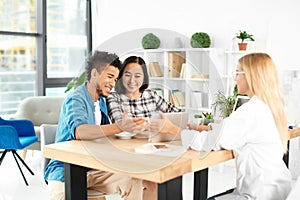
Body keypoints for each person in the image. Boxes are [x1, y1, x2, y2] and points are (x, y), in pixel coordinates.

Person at [44, 51, 151, 200]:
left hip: (93, 168)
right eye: (109, 77)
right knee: (64, 196)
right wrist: (120, 126)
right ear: (94, 74)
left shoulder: (101, 102)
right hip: (65, 171)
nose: (112, 84)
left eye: (115, 79)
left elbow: (105, 135)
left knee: (136, 179)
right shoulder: (76, 99)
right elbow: (81, 132)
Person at [186, 53, 292, 200]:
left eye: (237, 72)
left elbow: (209, 143)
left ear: (251, 76)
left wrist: (175, 132)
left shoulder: (251, 111)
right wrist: (203, 128)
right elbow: (231, 131)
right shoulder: (270, 107)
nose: (234, 78)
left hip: (258, 194)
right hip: (278, 189)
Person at [107, 55, 181, 133]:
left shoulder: (151, 95)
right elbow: (119, 126)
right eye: (127, 75)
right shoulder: (114, 98)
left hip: (154, 142)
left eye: (137, 76)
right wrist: (154, 124)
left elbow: (177, 114)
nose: (132, 80)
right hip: (128, 143)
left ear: (144, 78)